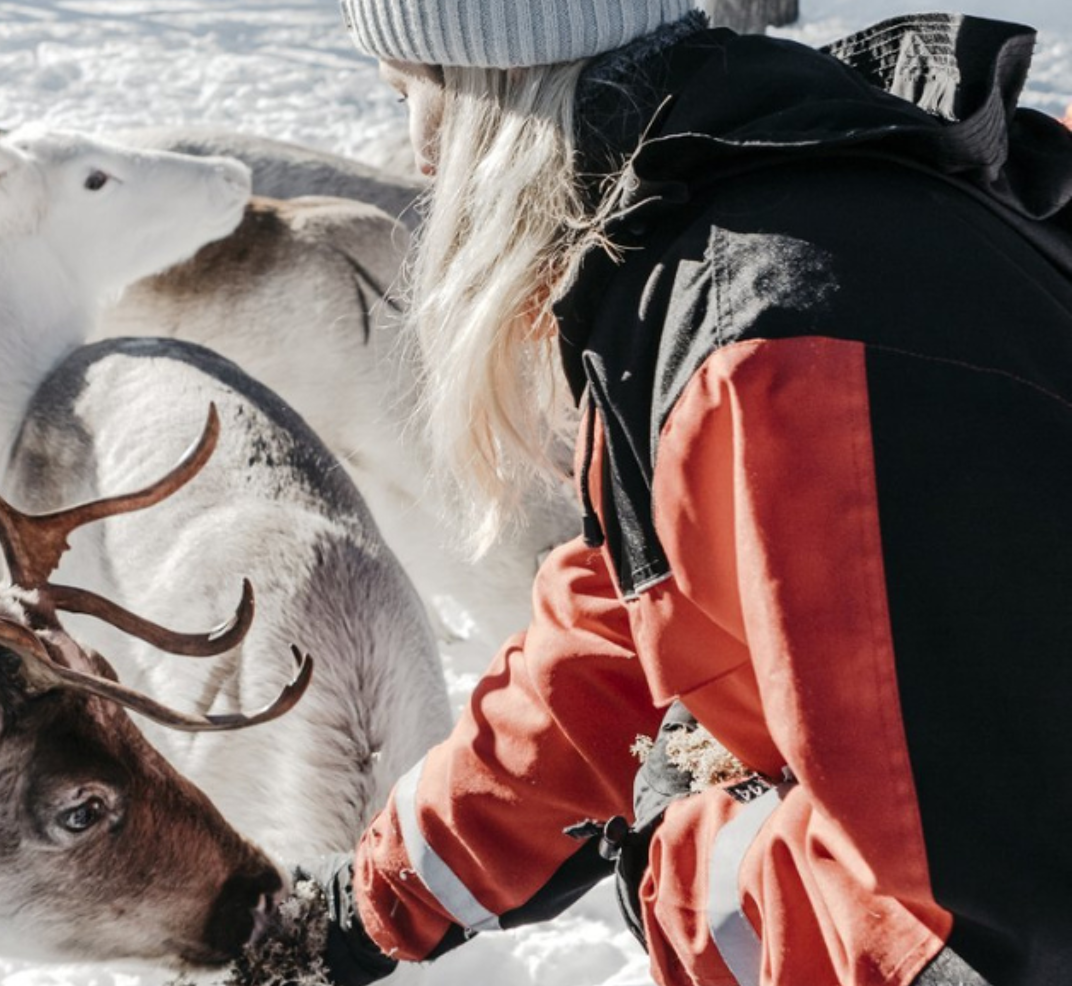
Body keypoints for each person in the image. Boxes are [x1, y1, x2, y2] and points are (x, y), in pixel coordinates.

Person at [305, 3, 1072, 986]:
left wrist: (675, 837)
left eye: (411, 93)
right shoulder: (712, 226)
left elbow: (951, 928)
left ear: (500, 89)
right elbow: (625, 634)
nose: (414, 154)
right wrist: (361, 906)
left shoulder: (771, 347)